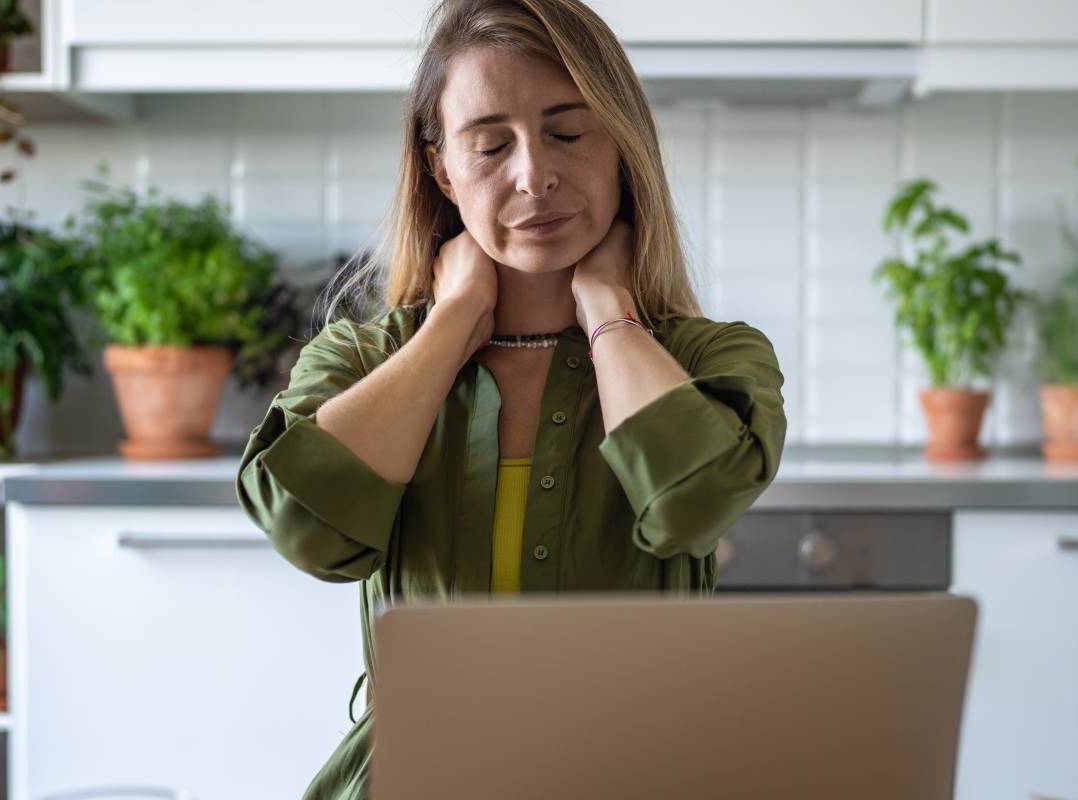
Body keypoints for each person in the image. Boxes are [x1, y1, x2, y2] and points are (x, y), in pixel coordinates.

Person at [233, 0, 787, 796]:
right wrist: (454, 319)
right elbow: (308, 529)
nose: (535, 174)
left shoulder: (707, 357)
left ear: (623, 143)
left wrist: (608, 311)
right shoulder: (363, 358)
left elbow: (690, 504)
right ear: (441, 169)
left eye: (568, 131)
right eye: (491, 145)